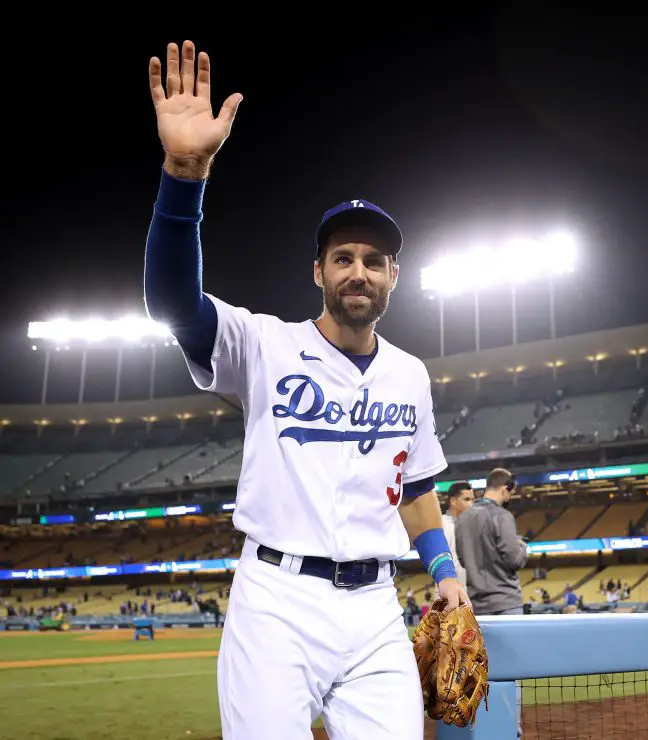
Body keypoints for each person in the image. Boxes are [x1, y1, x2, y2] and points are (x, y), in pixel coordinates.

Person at [143, 41, 469, 740]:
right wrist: (183, 174)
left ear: (393, 278)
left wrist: (445, 571)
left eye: (374, 261)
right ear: (317, 272)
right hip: (275, 600)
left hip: (377, 603)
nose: (359, 271)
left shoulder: (409, 374)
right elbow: (172, 302)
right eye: (343, 258)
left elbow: (416, 490)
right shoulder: (262, 343)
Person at [455, 468, 529, 616]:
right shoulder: (502, 516)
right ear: (504, 489)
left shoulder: (462, 518)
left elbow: (463, 559)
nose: (509, 499)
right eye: (510, 494)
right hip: (505, 603)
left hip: (476, 605)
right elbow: (515, 560)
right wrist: (522, 546)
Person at [441, 481, 475, 586]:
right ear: (453, 501)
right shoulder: (441, 524)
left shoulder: (473, 525)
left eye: (472, 500)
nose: (471, 504)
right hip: (450, 591)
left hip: (473, 592)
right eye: (467, 499)